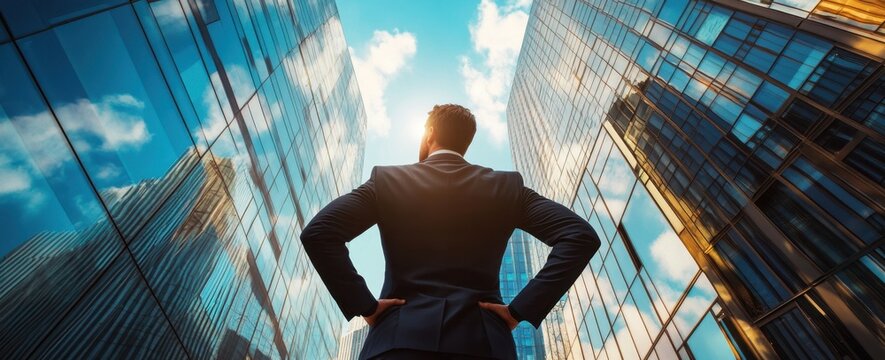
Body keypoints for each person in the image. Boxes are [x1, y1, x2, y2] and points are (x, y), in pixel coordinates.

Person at [301, 104, 600, 360]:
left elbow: (320, 232)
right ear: (466, 142)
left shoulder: (387, 180)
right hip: (484, 343)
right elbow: (579, 236)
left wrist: (365, 306)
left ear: (429, 133)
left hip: (398, 340)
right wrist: (518, 311)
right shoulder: (508, 187)